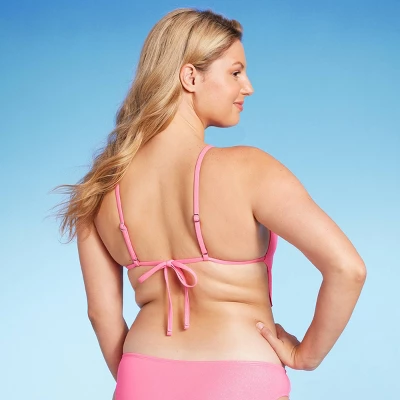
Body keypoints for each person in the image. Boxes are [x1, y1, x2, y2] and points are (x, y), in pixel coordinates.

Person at [53, 7, 367, 400]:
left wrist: (141, 381)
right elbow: (347, 268)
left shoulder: (99, 188)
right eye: (236, 72)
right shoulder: (249, 169)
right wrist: (306, 355)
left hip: (143, 373)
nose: (248, 87)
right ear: (190, 77)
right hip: (241, 373)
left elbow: (101, 314)